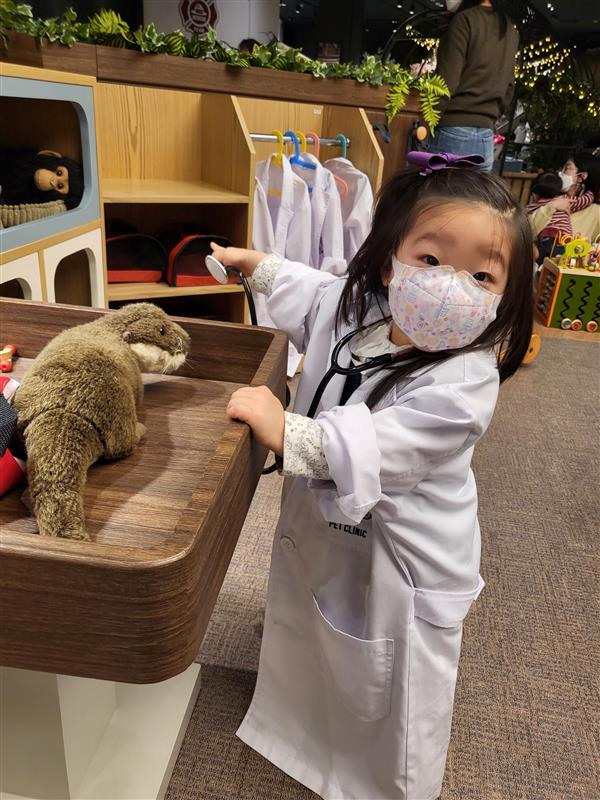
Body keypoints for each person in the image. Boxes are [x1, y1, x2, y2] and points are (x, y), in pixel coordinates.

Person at [210, 152, 533, 800]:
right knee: (322, 617)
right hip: (342, 530)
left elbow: (381, 446)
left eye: (481, 275)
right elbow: (316, 295)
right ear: (391, 262)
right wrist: (258, 265)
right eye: (431, 259)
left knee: (390, 675)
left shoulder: (464, 385)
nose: (449, 286)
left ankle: (388, 785)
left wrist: (287, 430)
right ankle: (300, 728)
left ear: (507, 295)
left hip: (405, 559)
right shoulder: (364, 313)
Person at [429, 0, 521, 171]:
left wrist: (426, 122)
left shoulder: (465, 20)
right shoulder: (510, 29)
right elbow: (509, 88)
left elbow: (445, 83)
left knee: (440, 189)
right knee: (475, 190)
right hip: (486, 135)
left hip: (453, 128)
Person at [526, 172, 595, 262]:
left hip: (546, 239)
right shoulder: (565, 200)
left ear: (535, 193)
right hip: (564, 240)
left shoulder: (534, 205)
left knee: (542, 262)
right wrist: (590, 193)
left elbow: (526, 213)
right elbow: (583, 201)